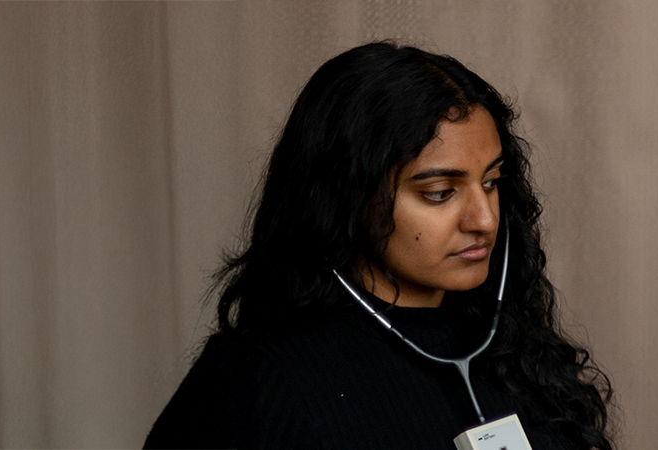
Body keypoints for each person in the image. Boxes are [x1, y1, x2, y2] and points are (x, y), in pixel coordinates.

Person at [145, 42, 613, 449]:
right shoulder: (259, 380)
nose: (485, 220)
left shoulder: (514, 347)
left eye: (491, 182)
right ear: (347, 197)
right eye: (439, 193)